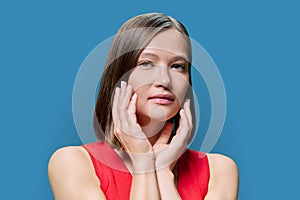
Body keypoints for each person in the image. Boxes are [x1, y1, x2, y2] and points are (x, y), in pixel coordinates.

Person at [48, 13, 239, 200]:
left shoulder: (220, 170)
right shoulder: (72, 163)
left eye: (178, 66)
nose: (164, 80)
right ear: (119, 76)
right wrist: (143, 163)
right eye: (146, 63)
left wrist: (163, 172)